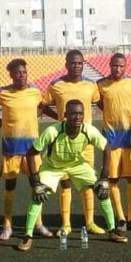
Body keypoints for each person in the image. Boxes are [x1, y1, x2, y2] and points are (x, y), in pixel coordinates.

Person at [17, 100, 128, 251]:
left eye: (80, 113)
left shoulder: (88, 130)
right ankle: (27, 236)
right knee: (38, 194)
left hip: (77, 165)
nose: (77, 117)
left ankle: (112, 230)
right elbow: (31, 153)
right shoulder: (52, 131)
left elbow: (106, 147)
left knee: (102, 189)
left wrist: (104, 176)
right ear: (65, 115)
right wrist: (35, 181)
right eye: (73, 113)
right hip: (52, 166)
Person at [41, 50, 105, 235]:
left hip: (85, 142)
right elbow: (43, 105)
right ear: (66, 64)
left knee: (87, 183)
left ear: (83, 64)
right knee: (66, 183)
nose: (76, 66)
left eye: (79, 63)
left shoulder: (91, 85)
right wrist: (59, 118)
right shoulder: (56, 85)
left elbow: (100, 103)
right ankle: (66, 224)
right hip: (63, 144)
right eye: (73, 63)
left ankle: (91, 222)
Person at [0, 59, 53, 241]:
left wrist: (48, 116)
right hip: (11, 148)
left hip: (32, 149)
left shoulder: (35, 92)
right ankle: (7, 226)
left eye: (24, 72)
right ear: (10, 75)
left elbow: (43, 106)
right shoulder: (2, 93)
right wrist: (2, 125)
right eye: (17, 73)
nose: (22, 75)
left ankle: (38, 224)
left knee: (37, 186)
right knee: (10, 187)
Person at [96, 53, 131, 232]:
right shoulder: (101, 85)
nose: (118, 69)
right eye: (115, 65)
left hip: (129, 138)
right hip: (111, 139)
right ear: (110, 65)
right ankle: (121, 218)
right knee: (113, 179)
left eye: (121, 66)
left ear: (126, 67)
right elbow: (100, 104)